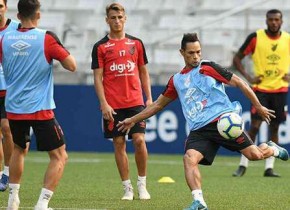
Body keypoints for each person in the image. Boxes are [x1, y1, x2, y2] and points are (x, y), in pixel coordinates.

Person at [117, 33, 289, 210]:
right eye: (191, 53)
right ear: (182, 52)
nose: (196, 56)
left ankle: (272, 149)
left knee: (255, 156)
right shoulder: (177, 80)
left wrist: (258, 106)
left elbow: (240, 83)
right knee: (189, 159)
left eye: (198, 52)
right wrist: (133, 119)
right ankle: (199, 202)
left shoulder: (208, 67)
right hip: (199, 129)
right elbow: (157, 105)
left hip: (224, 122)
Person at [0, 0, 77, 209]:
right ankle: (42, 204)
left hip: (14, 108)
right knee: (60, 156)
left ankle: (12, 200)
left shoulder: (5, 38)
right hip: (39, 108)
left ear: (18, 15)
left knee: (18, 149)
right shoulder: (46, 38)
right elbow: (72, 65)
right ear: (39, 15)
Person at [91, 2, 152, 201]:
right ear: (107, 20)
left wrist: (149, 98)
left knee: (140, 140)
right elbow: (97, 78)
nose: (117, 21)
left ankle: (142, 185)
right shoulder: (100, 47)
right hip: (113, 105)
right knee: (119, 143)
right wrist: (104, 104)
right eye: (113, 18)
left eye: (120, 17)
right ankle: (127, 188)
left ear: (125, 19)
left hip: (135, 102)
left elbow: (143, 72)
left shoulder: (137, 43)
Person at [232, 9, 290, 177]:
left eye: (276, 20)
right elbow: (237, 59)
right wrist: (249, 77)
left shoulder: (287, 39)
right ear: (266, 21)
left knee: (275, 128)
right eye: (271, 19)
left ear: (282, 21)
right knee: (255, 127)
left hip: (280, 89)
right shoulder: (256, 37)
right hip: (260, 90)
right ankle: (243, 165)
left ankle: (269, 168)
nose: (273, 22)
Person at [0, 0, 21, 192]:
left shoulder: (16, 28)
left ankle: (6, 171)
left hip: (8, 88)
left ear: (6, 7)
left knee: (6, 128)